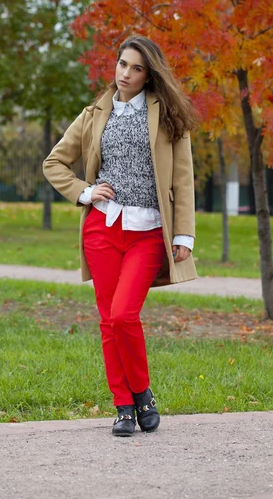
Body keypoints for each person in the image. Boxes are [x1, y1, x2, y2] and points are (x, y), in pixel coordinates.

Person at [43, 35, 197, 437]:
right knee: (108, 321)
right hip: (102, 228)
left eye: (136, 68)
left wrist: (184, 234)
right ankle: (125, 407)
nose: (125, 73)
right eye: (121, 64)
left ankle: (142, 391)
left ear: (150, 75)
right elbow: (54, 161)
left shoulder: (168, 115)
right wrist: (85, 192)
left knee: (124, 315)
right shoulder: (96, 112)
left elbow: (183, 180)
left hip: (148, 232)